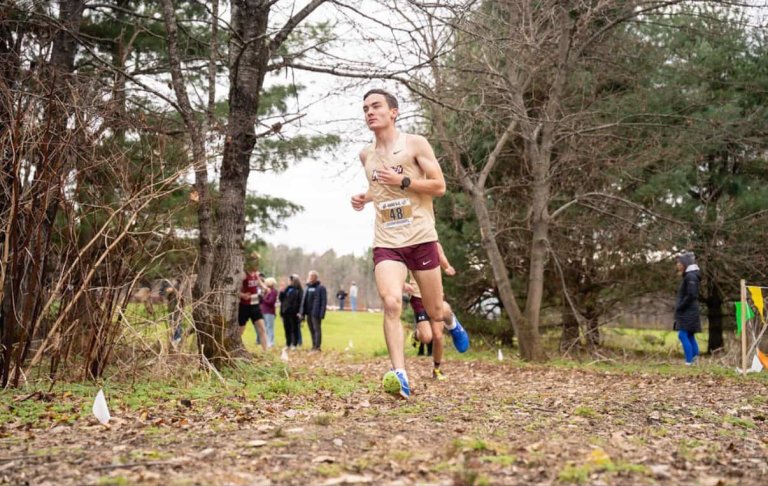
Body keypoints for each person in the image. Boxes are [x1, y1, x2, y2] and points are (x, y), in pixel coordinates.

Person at [350, 88, 450, 399]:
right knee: (391, 302)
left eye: (376, 106)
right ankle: (401, 375)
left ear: (393, 112)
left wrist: (405, 181)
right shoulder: (366, 154)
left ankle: (450, 318)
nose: (369, 112)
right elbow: (381, 190)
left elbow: (439, 186)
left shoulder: (415, 144)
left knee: (434, 312)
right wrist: (364, 198)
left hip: (420, 237)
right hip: (387, 240)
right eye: (365, 107)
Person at [406, 242, 469, 380]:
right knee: (426, 337)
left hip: (435, 294)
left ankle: (437, 369)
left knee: (438, 336)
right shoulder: (408, 244)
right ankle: (417, 335)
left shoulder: (433, 244)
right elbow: (398, 267)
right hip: (417, 297)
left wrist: (447, 267)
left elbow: (441, 257)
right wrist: (402, 284)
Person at [674, 252, 701, 365]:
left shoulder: (691, 276)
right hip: (688, 310)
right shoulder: (690, 275)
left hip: (688, 311)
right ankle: (694, 360)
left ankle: (689, 361)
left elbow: (691, 295)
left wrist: (680, 306)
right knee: (689, 335)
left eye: (679, 263)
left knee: (683, 335)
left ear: (685, 264)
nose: (678, 265)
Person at [239, 263, 267, 352]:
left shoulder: (256, 274)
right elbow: (234, 289)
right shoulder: (243, 274)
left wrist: (265, 288)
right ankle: (237, 349)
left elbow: (260, 284)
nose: (257, 265)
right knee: (240, 331)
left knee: (262, 328)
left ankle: (265, 352)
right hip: (244, 306)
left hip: (255, 306)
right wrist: (242, 295)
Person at [301, 270, 327, 351]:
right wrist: (301, 312)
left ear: (315, 277)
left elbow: (323, 301)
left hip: (316, 313)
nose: (310, 278)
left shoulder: (321, 288)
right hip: (308, 312)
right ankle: (313, 345)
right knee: (311, 329)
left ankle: (317, 346)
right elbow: (303, 300)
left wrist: (322, 313)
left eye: (311, 276)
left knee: (317, 329)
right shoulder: (307, 287)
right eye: (309, 276)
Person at [280, 275, 303, 348]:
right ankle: (288, 343)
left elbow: (299, 301)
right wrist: (281, 292)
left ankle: (294, 343)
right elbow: (282, 299)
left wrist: (299, 312)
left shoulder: (298, 290)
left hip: (293, 312)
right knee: (287, 328)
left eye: (290, 280)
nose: (289, 282)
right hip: (285, 311)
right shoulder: (288, 289)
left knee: (294, 328)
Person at [260, 277, 278, 348]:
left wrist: (263, 298)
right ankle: (267, 341)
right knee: (265, 328)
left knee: (270, 327)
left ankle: (271, 342)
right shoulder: (266, 291)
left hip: (269, 312)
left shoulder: (273, 291)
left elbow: (271, 302)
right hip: (263, 311)